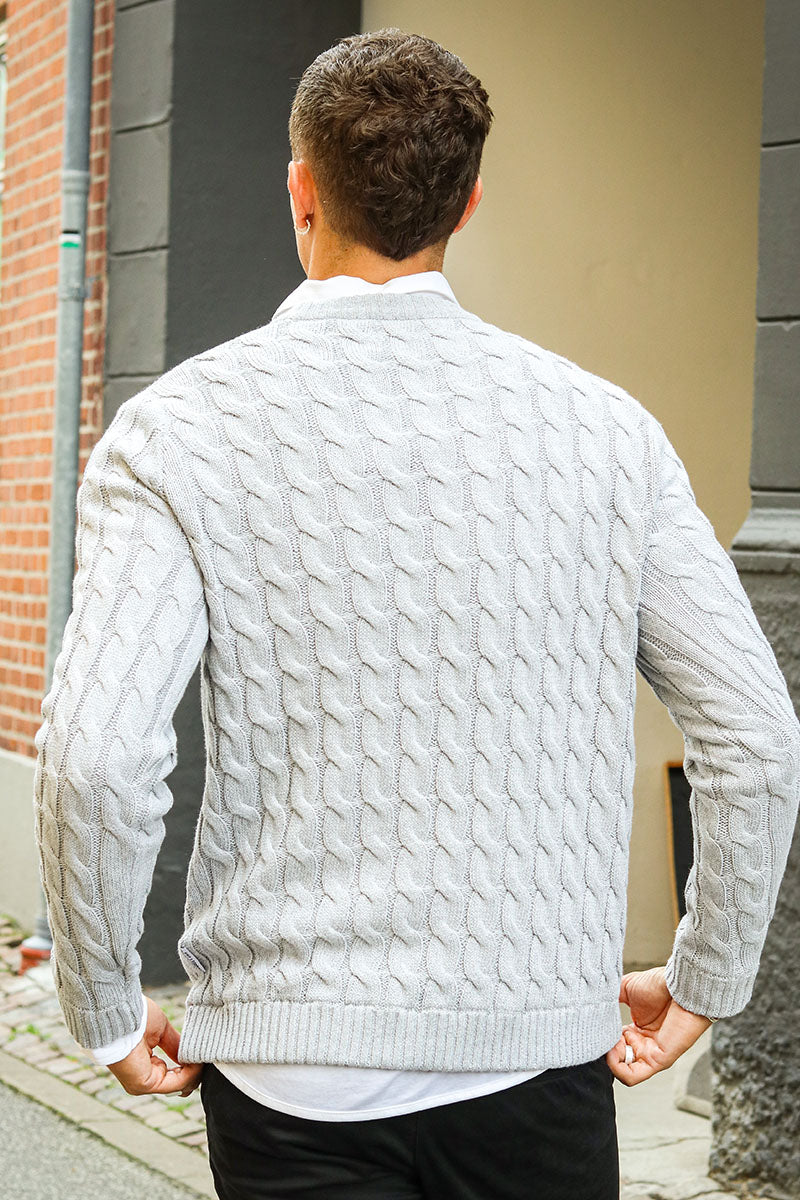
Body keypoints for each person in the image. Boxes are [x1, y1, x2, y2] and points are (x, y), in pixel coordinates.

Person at [33, 26, 800, 1200]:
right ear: (466, 203)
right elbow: (753, 733)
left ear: (300, 191)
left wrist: (101, 1003)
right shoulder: (606, 435)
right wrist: (707, 972)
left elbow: (93, 758)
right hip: (533, 1056)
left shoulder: (178, 432)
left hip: (290, 1074)